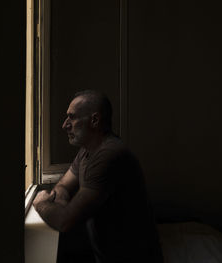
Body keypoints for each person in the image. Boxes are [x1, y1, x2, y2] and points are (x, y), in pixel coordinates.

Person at [33, 90, 163, 263]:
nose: (65, 125)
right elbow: (63, 186)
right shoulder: (87, 151)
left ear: (94, 120)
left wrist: (41, 203)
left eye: (72, 117)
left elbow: (65, 222)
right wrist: (62, 203)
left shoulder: (108, 155)